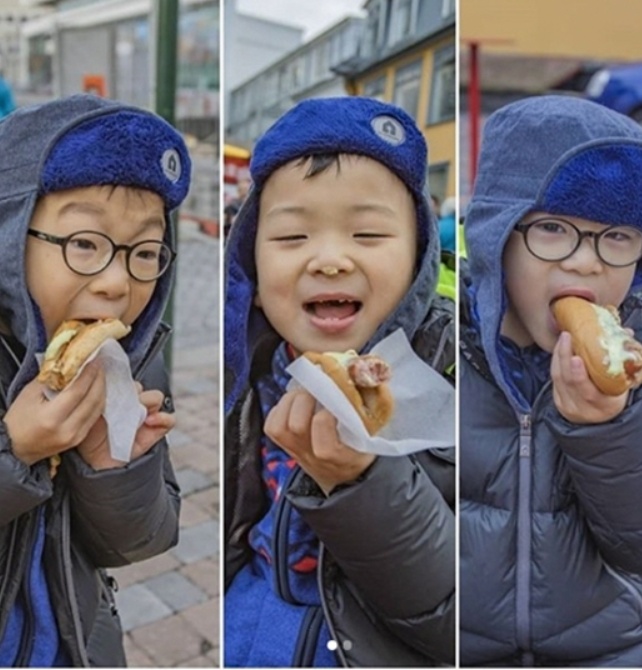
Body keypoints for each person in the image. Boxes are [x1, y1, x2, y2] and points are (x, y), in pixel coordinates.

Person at [223, 96, 455, 667]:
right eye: (292, 238)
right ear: (251, 268)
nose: (329, 260)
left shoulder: (453, 371)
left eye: (369, 235)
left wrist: (364, 484)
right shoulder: (246, 372)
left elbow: (463, 621)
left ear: (419, 258)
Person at [0, 94, 191, 666]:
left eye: (145, 251)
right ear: (11, 235)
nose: (115, 282)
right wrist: (17, 449)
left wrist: (113, 469)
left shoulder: (126, 364)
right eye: (85, 243)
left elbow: (139, 540)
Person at [460, 94, 642, 666]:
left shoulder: (632, 367)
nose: (588, 262)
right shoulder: (439, 351)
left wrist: (606, 433)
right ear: (498, 236)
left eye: (618, 236)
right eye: (554, 228)